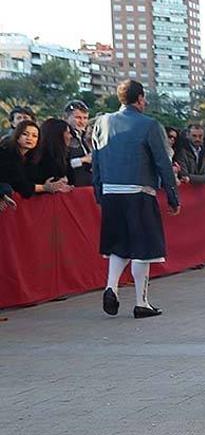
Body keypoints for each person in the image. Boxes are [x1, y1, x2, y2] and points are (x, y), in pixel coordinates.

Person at [91, 80, 180, 319]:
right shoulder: (150, 125)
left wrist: (98, 191)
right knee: (143, 249)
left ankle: (112, 286)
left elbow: (96, 161)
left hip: (110, 191)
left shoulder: (101, 122)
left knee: (119, 244)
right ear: (140, 98)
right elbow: (163, 162)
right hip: (139, 192)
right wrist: (172, 195)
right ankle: (141, 302)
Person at [0, 119, 71, 198]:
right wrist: (44, 188)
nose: (29, 138)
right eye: (25, 134)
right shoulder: (6, 154)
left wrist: (57, 185)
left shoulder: (31, 157)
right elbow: (19, 184)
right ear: (17, 136)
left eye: (34, 136)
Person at [65, 100, 93, 187]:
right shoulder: (62, 137)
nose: (82, 121)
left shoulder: (84, 137)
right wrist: (83, 160)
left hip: (87, 187)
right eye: (78, 117)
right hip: (72, 188)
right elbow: (61, 165)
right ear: (66, 117)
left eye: (85, 118)